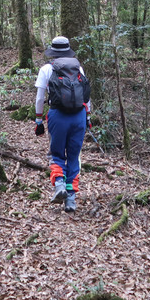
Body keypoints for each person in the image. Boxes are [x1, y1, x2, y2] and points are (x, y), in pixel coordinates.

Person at [34, 36, 90, 213]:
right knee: (74, 156)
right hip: (79, 116)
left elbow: (39, 98)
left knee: (57, 153)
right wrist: (87, 117)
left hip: (57, 115)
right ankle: (71, 199)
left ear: (53, 52)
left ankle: (59, 184)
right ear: (68, 51)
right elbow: (86, 96)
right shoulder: (78, 67)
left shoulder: (46, 69)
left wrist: (38, 120)